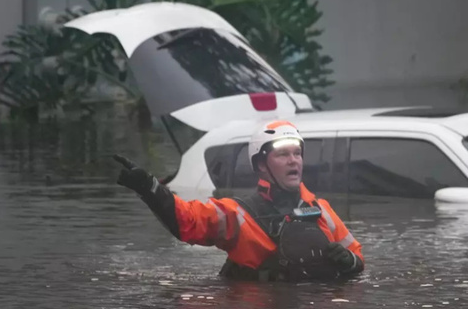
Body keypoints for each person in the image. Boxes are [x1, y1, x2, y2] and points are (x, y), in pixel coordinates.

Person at [112, 120, 364, 282]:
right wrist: (150, 187)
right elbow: (185, 220)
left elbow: (357, 257)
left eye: (297, 153)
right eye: (283, 154)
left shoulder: (321, 210)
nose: (293, 161)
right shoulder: (236, 214)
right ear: (261, 165)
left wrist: (350, 262)